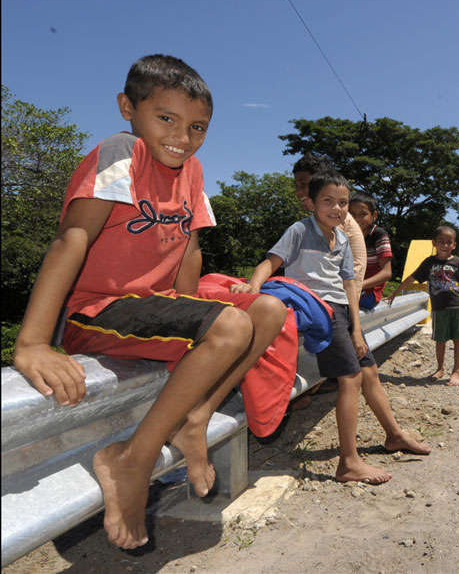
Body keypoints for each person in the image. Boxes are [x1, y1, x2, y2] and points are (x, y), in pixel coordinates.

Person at [12, 54, 286, 550]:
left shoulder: (193, 170)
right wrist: (32, 342)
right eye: (167, 118)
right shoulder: (123, 151)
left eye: (198, 126)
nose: (183, 135)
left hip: (153, 309)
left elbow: (189, 248)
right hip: (99, 310)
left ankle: (194, 420)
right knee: (231, 326)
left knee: (268, 310)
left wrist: (194, 325)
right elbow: (72, 237)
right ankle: (130, 461)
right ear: (127, 108)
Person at [231, 169, 430, 484]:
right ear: (311, 203)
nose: (337, 208)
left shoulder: (342, 239)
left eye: (343, 202)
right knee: (349, 378)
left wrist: (355, 327)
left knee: (369, 371)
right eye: (328, 201)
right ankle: (348, 462)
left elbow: (350, 284)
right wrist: (252, 291)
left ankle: (394, 434)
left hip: (342, 311)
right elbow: (270, 263)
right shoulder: (299, 230)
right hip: (317, 308)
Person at [385, 225, 459, 386]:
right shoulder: (429, 263)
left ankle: (456, 371)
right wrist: (395, 292)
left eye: (449, 242)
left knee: (458, 340)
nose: (445, 245)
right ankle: (440, 368)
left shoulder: (458, 262)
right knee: (440, 340)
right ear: (434, 243)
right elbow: (412, 277)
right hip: (439, 309)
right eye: (441, 241)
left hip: (457, 307)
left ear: (454, 245)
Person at [292, 153, 366, 298]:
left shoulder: (334, 221)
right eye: (296, 186)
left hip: (332, 303)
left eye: (304, 185)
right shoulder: (323, 219)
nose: (298, 192)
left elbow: (352, 275)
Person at [349, 193, 393, 310]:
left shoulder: (378, 235)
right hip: (349, 287)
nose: (356, 219)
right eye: (352, 214)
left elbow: (387, 273)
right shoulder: (345, 233)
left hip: (369, 293)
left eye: (363, 214)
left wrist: (358, 285)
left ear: (374, 215)